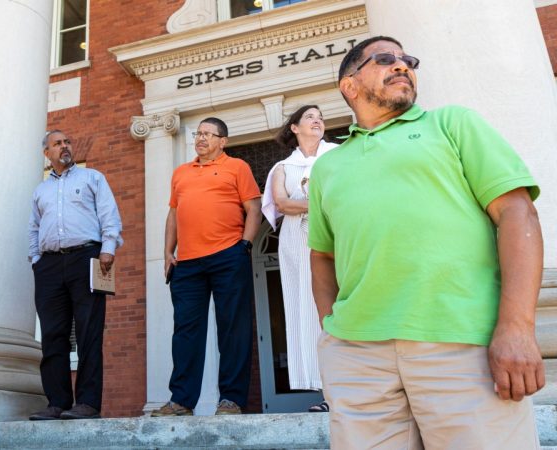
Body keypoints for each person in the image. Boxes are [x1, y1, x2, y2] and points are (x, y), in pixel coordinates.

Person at [307, 35, 544, 449]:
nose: (401, 66)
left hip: (462, 344)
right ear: (349, 85)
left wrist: (518, 328)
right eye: (384, 59)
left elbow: (517, 214)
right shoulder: (328, 166)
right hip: (358, 359)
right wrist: (333, 334)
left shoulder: (452, 124)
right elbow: (322, 256)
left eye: (407, 60)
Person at [152, 117, 262, 417]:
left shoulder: (237, 167)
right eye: (197, 134)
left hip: (228, 255)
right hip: (187, 264)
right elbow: (173, 214)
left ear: (222, 141)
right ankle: (181, 401)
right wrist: (167, 252)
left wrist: (245, 245)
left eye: (207, 134)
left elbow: (254, 208)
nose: (200, 139)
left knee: (233, 330)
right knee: (186, 332)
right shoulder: (181, 173)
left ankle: (232, 400)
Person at [28, 130, 123, 420]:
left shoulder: (92, 178)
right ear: (47, 153)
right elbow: (33, 228)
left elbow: (109, 214)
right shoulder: (40, 191)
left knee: (88, 333)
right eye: (57, 144)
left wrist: (107, 248)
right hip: (49, 265)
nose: (64, 147)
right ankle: (57, 403)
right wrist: (36, 260)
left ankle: (88, 404)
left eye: (67, 142)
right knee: (53, 335)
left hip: (87, 257)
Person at [261, 105, 337, 412]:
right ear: (294, 128)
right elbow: (281, 202)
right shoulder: (283, 167)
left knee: (339, 305)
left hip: (336, 234)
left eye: (320, 116)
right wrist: (315, 204)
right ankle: (327, 394)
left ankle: (354, 390)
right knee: (306, 312)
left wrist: (304, 203)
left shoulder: (337, 155)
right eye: (309, 116)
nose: (317, 120)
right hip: (297, 242)